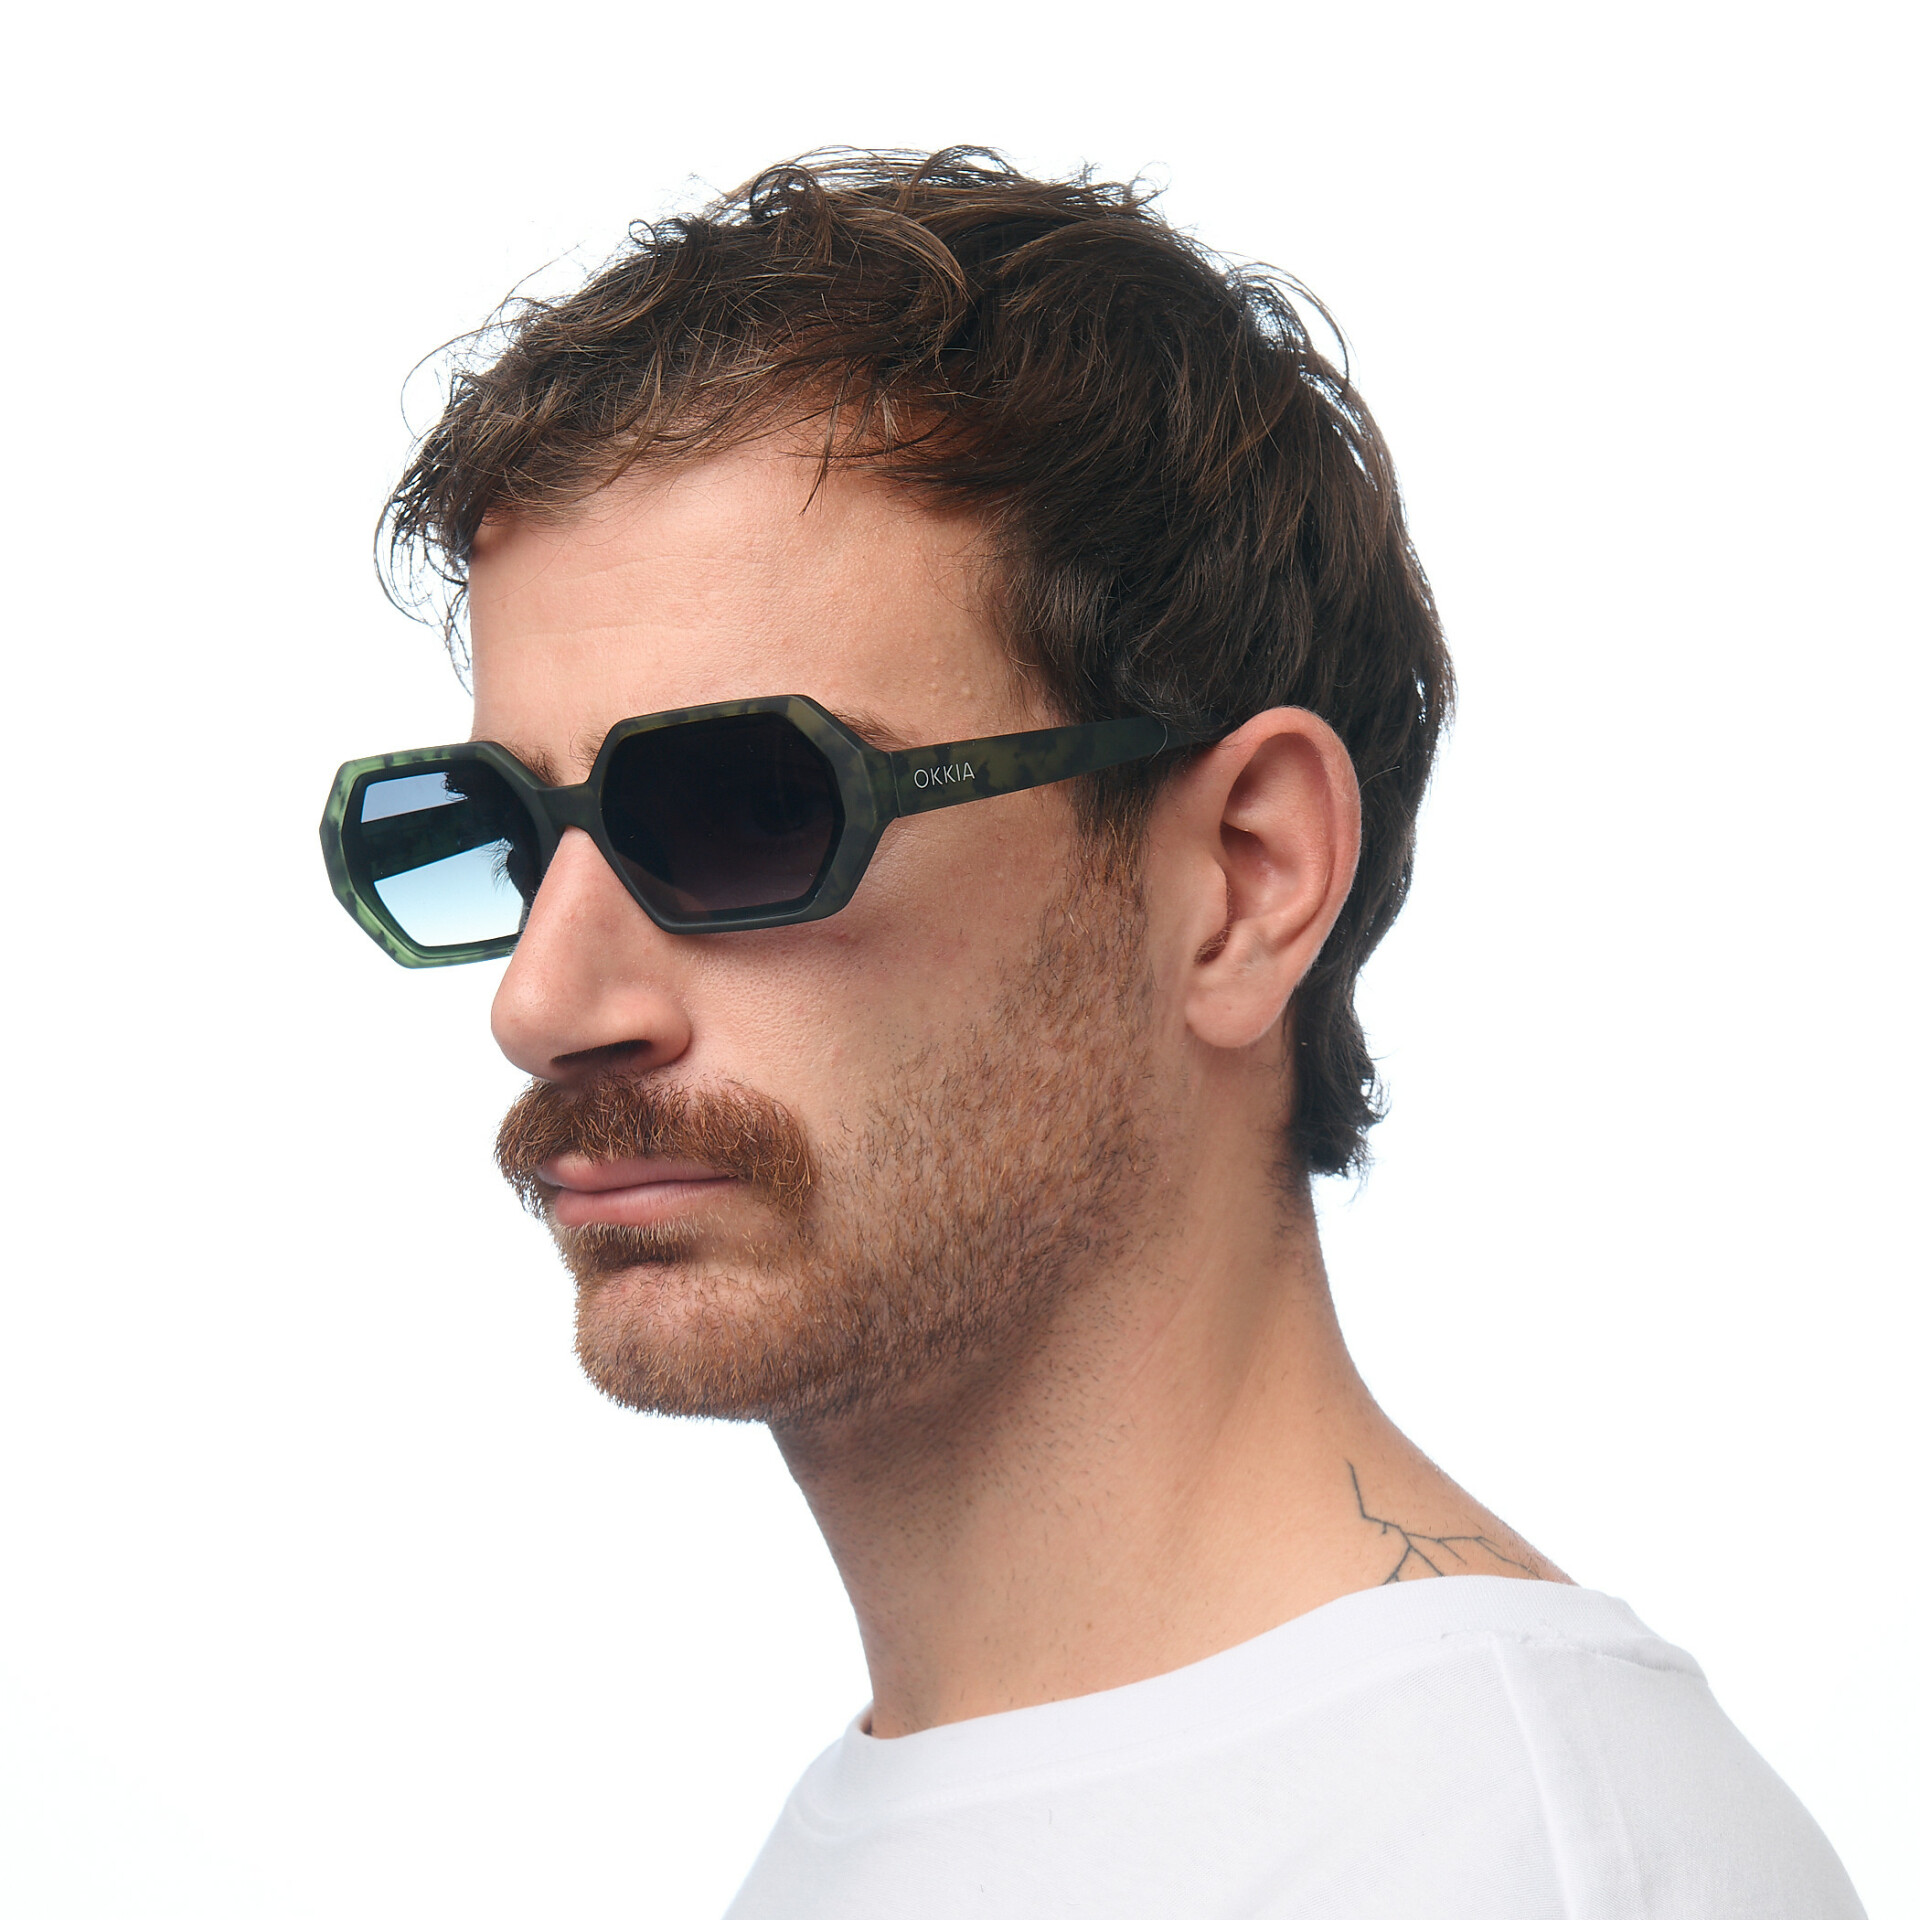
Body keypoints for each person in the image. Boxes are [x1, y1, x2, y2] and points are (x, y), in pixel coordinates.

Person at [322, 149, 1863, 1917]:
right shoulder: (910, 1824)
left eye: (746, 810)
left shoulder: (1530, 1863)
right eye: (502, 837)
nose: (539, 1004)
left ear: (1244, 880)